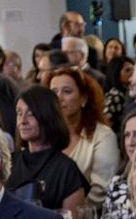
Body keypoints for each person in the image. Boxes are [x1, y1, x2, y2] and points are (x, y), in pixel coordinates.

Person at [9, 85, 88, 215]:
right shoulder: (10, 162)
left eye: (31, 114)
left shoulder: (66, 169)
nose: (22, 121)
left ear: (47, 116)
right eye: (19, 113)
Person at [48, 67, 117, 205]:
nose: (59, 97)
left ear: (84, 98)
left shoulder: (103, 136)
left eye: (67, 91)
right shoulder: (45, 135)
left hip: (86, 218)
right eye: (53, 92)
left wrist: (68, 211)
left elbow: (101, 191)